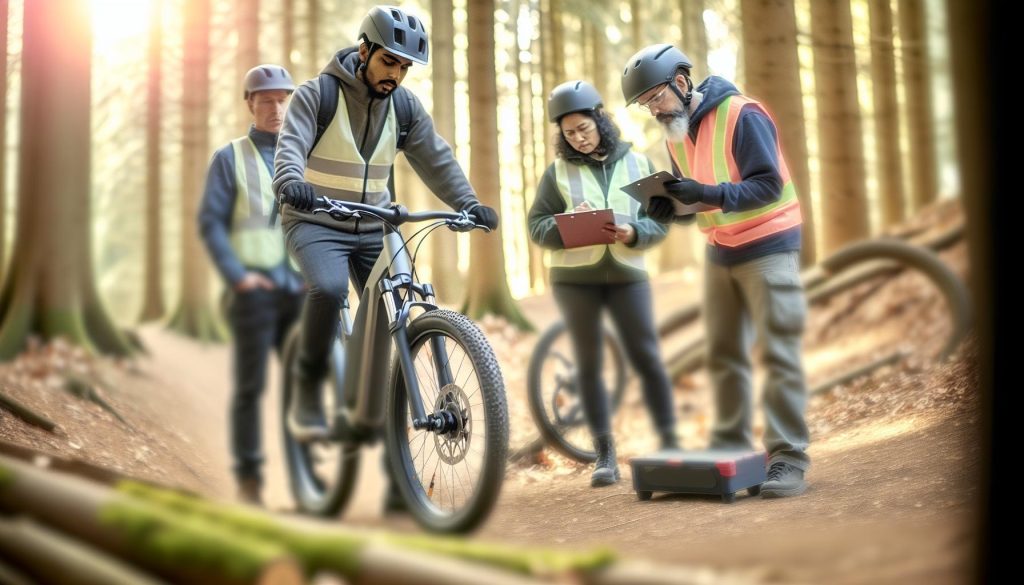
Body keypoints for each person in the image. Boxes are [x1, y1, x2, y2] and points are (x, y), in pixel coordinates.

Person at [272, 6, 498, 442]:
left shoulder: (404, 108)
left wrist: (469, 204)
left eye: (404, 66)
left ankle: (371, 399)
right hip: (315, 221)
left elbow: (436, 158)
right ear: (364, 51)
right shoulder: (316, 95)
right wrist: (289, 181)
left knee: (396, 299)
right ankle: (306, 389)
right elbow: (291, 147)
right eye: (388, 61)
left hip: (373, 224)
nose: (395, 73)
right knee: (330, 288)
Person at [621, 44, 810, 497]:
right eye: (644, 104)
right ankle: (732, 448)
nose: (653, 109)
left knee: (778, 352)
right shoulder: (675, 133)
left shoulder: (742, 115)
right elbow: (698, 196)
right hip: (721, 248)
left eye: (656, 98)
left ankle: (788, 458)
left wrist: (703, 190)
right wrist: (672, 209)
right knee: (725, 354)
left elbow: (767, 185)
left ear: (682, 83)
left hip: (769, 244)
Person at [528, 80, 678, 487]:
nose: (577, 138)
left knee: (646, 355)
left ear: (600, 119)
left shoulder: (638, 164)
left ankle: (671, 443)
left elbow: (661, 219)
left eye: (584, 128)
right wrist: (569, 227)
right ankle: (604, 455)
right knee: (589, 363)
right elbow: (536, 226)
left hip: (628, 276)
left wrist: (634, 233)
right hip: (575, 281)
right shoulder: (557, 173)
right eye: (569, 133)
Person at [199, 64, 305, 505]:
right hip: (254, 295)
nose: (276, 109)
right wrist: (239, 278)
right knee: (251, 387)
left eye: (283, 100)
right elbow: (211, 223)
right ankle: (249, 481)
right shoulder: (230, 158)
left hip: (299, 290)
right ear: (250, 104)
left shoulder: (305, 155)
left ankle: (305, 483)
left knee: (304, 387)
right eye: (267, 101)